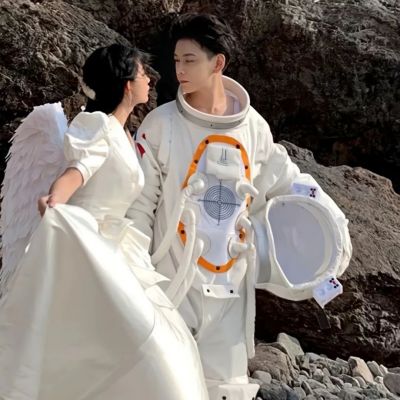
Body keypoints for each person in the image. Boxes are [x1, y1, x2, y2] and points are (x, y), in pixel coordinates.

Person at [127, 14, 352, 400]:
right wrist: (135, 274)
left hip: (231, 287)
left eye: (190, 60)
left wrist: (334, 230)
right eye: (177, 60)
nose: (179, 70)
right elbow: (139, 206)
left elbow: (285, 182)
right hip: (171, 281)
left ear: (218, 63)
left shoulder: (254, 128)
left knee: (226, 388)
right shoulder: (160, 125)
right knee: (164, 383)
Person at [0, 43, 209, 400]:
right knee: (141, 344)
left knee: (156, 341)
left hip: (121, 250)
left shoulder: (126, 134)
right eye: (142, 73)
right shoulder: (98, 126)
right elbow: (77, 171)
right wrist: (55, 200)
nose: (149, 79)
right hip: (92, 249)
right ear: (127, 84)